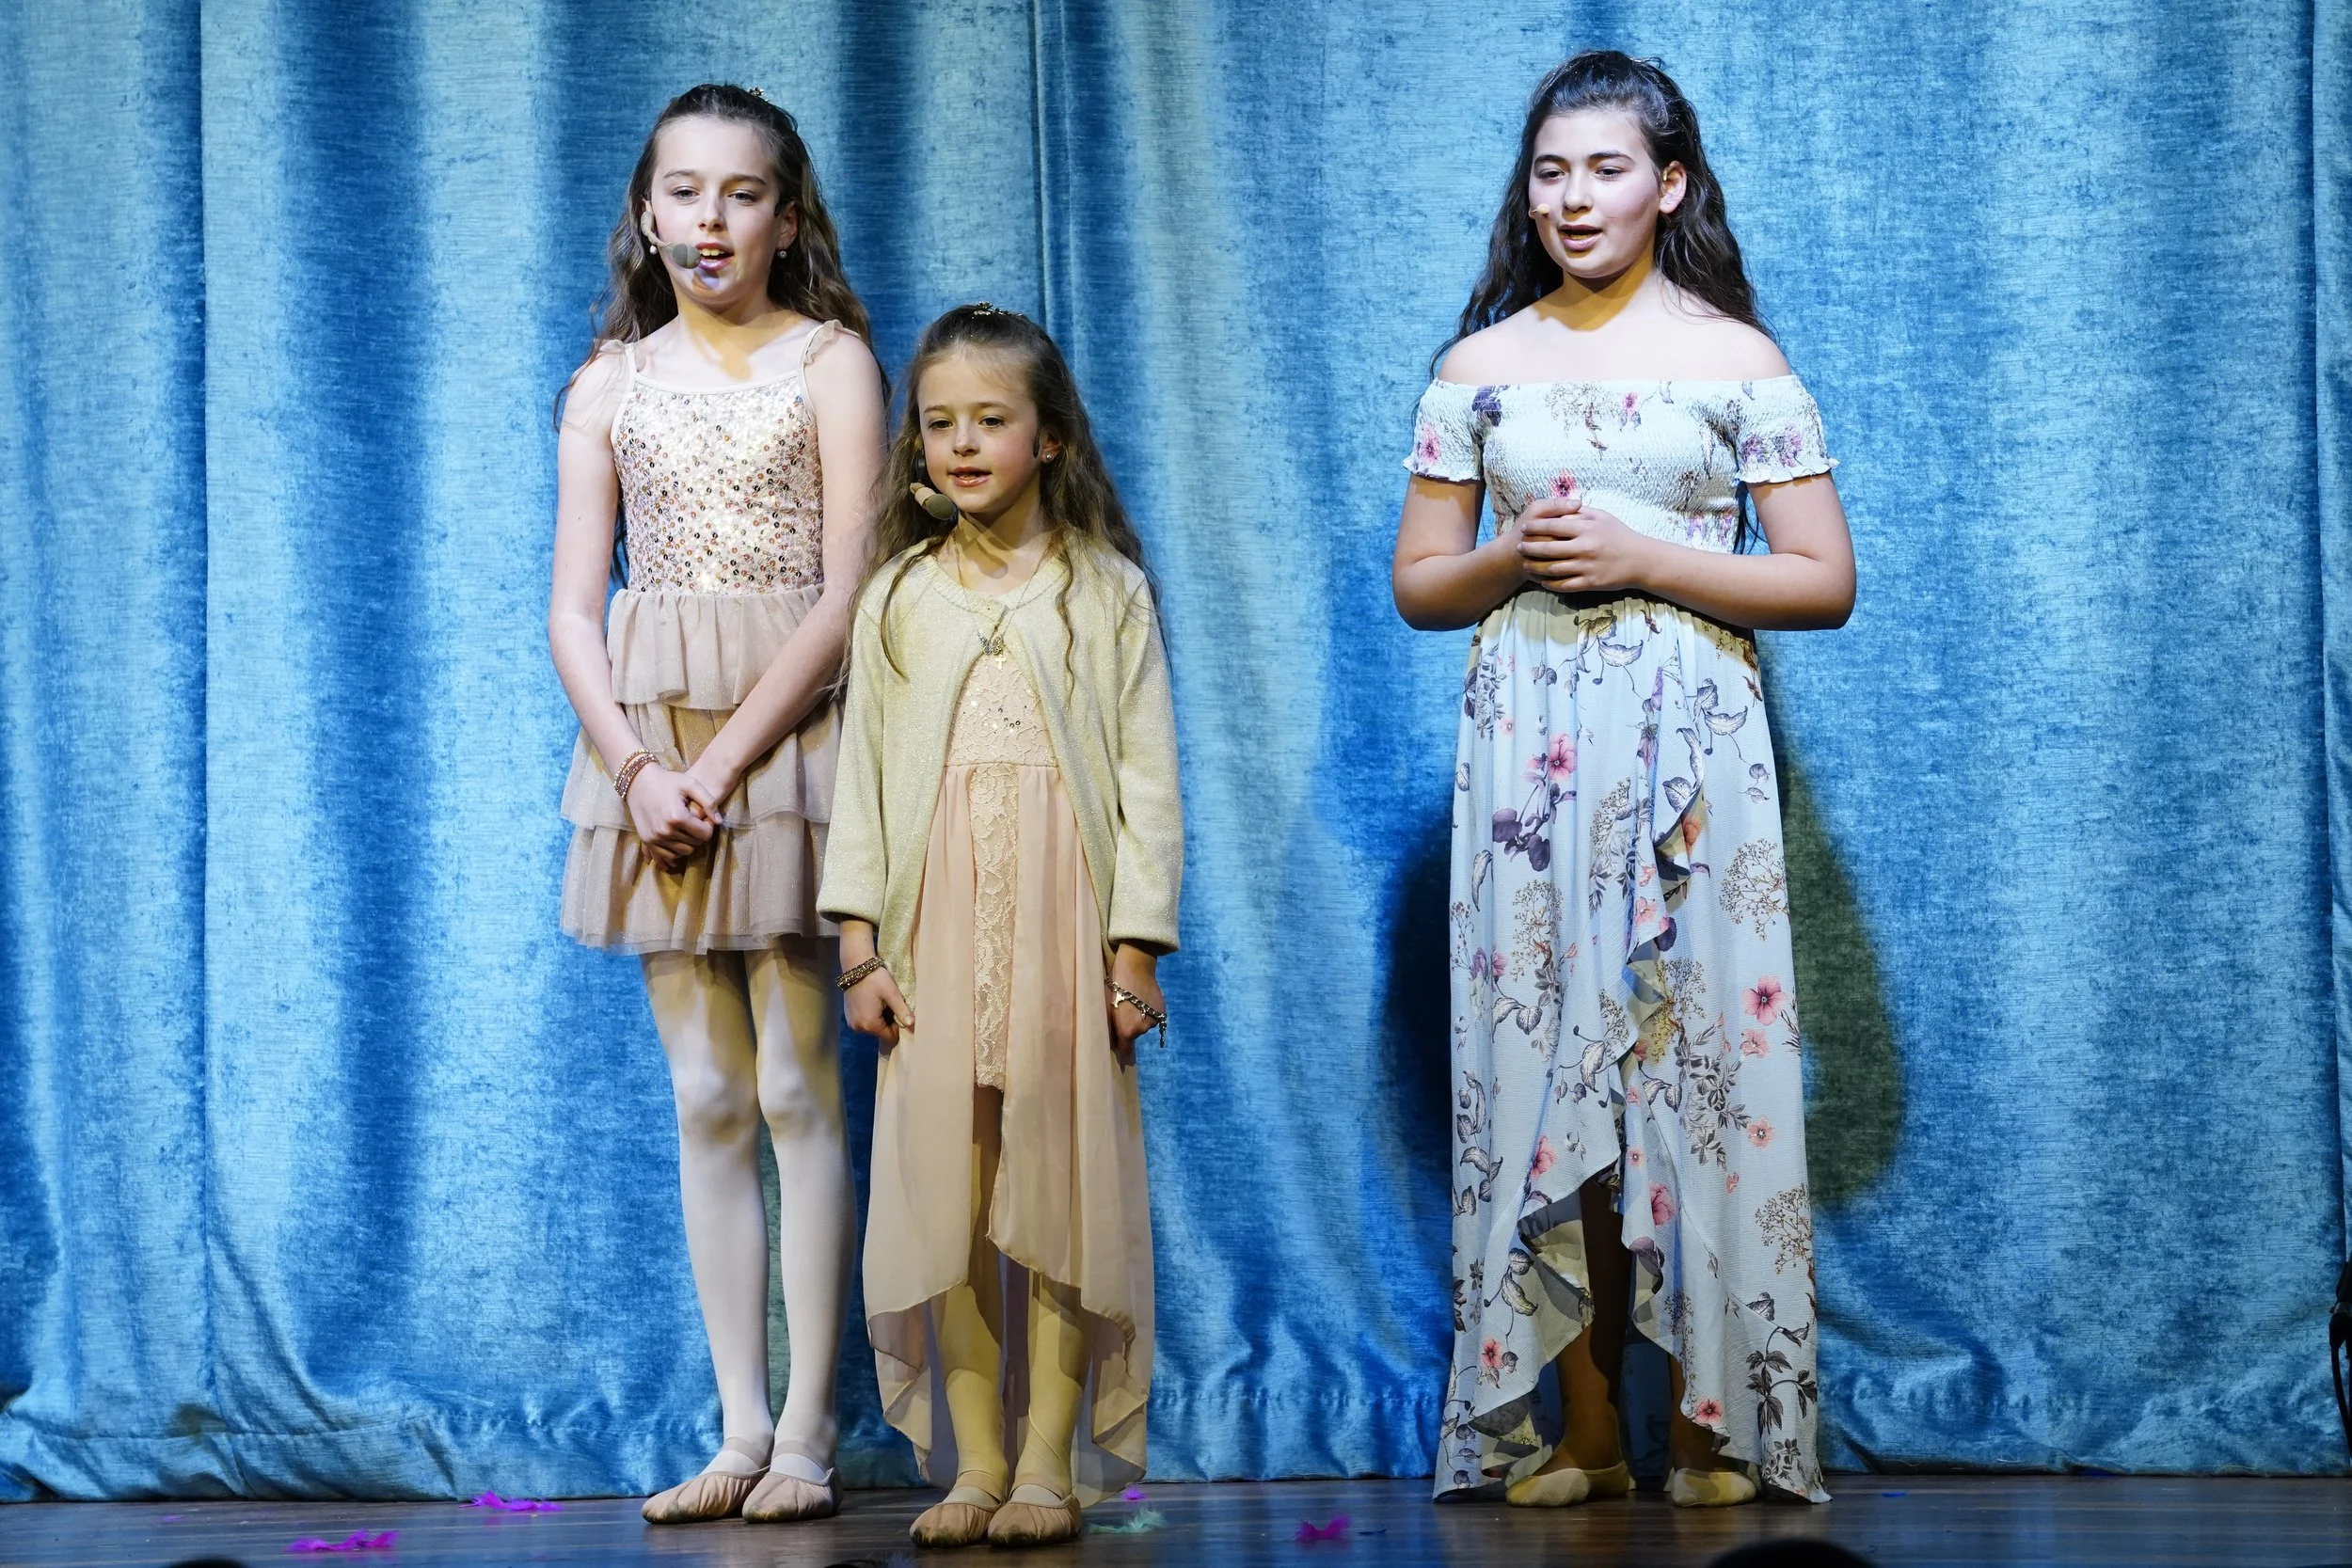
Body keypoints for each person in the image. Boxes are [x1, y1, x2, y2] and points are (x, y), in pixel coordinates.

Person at [1392, 51, 1854, 1509]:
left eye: (1604, 169)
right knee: (1552, 1070)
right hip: (1529, 751)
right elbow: (1419, 583)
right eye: (1549, 171)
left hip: (1692, 755)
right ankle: (1584, 1424)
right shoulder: (1479, 368)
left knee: (1695, 1065)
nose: (1573, 197)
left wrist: (1651, 558)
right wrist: (1510, 559)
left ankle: (1719, 1423)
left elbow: (1824, 579)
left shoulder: (1738, 360)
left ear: (1670, 185)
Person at [547, 82, 883, 1525]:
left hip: (783, 740)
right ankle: (736, 1425)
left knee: (803, 1083)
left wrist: (726, 762)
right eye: (683, 191)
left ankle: (809, 1430)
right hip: (652, 753)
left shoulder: (830, 360)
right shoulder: (610, 383)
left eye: (741, 193)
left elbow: (846, 587)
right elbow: (572, 607)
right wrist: (639, 768)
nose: (709, 218)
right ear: (645, 213)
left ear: (785, 217)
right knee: (704, 1092)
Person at [822, 304, 1182, 1549]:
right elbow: (862, 781)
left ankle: (1047, 1459)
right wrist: (860, 946)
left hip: (1062, 924)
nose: (963, 444)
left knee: (1058, 1184)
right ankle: (973, 1457)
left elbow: (1149, 782)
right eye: (939, 424)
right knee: (951, 1193)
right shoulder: (899, 599)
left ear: (1050, 439)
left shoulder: (1107, 593)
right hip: (930, 928)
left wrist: (1132, 953)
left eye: (991, 421)